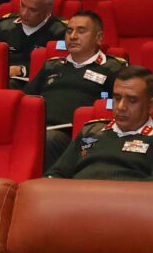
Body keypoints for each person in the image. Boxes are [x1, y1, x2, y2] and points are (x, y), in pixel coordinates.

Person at [46, 66, 153, 181]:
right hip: (75, 203)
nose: (121, 107)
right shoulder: (90, 131)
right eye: (117, 98)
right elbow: (55, 175)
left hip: (128, 207)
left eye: (132, 100)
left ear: (151, 105)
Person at [30, 9, 118, 156]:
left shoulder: (113, 69)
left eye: (81, 31)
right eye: (69, 31)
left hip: (78, 137)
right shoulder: (51, 65)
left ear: (99, 38)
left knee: (49, 139)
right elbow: (27, 98)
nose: (73, 36)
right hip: (37, 128)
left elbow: (118, 108)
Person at [0, 0, 66, 87]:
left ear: (48, 9)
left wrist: (22, 70)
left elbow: (59, 67)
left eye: (33, 10)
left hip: (41, 86)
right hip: (2, 83)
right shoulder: (5, 26)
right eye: (22, 5)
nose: (24, 13)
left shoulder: (61, 32)